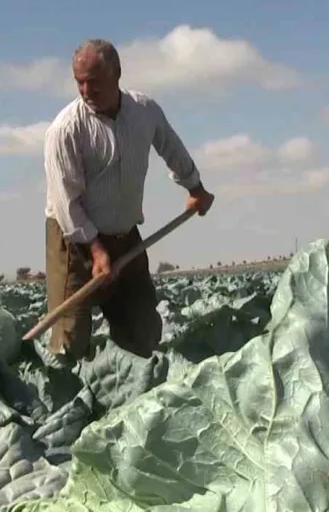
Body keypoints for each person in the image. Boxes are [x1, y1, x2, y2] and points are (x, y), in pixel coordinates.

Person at [43, 38, 215, 361]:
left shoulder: (144, 112)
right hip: (75, 241)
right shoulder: (65, 129)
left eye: (92, 82)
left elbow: (172, 148)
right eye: (78, 82)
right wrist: (95, 250)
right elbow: (66, 203)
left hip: (125, 236)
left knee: (143, 332)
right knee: (71, 342)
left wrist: (196, 188)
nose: (84, 90)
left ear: (117, 73)